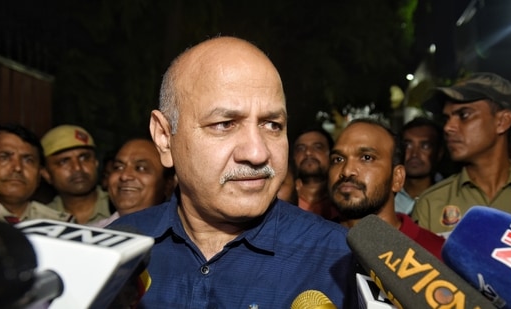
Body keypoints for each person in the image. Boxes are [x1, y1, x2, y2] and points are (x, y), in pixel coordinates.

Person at [110, 36, 356, 308]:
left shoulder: (340, 259)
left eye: (272, 125)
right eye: (225, 124)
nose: (257, 153)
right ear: (165, 137)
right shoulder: (114, 250)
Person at [413, 72, 511, 235]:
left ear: (502, 121)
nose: (448, 127)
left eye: (463, 115)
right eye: (446, 118)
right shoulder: (431, 204)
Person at [328, 118, 445, 259]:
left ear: (397, 178)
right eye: (338, 159)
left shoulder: (437, 255)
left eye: (366, 157)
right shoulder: (309, 243)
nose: (347, 171)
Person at [0, 124, 72, 223]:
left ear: (39, 175)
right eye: (4, 157)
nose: (18, 167)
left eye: (28, 160)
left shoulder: (59, 224)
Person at [93, 137, 175, 227]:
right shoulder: (88, 235)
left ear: (168, 184)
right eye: (118, 167)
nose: (124, 176)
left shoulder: (182, 238)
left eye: (141, 168)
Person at [40, 125, 111, 224]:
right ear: (46, 174)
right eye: (64, 161)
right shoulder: (41, 220)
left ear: (96, 163)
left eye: (84, 158)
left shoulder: (121, 206)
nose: (77, 167)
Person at [395, 117, 444, 215]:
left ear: (439, 153)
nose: (414, 154)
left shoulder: (451, 194)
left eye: (425, 146)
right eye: (407, 145)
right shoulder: (384, 196)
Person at [292, 127, 339, 220]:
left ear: (331, 155)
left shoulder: (344, 201)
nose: (308, 152)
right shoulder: (281, 200)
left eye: (318, 147)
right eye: (300, 148)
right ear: (293, 157)